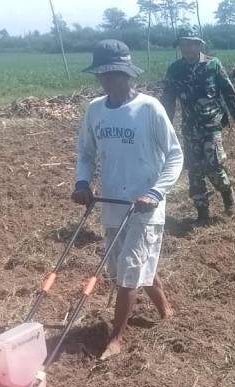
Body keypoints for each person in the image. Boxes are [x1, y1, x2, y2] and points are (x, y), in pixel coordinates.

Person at [73, 40, 184, 359]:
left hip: (145, 206)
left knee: (129, 271)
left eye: (115, 74)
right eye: (103, 75)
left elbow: (175, 156)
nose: (108, 81)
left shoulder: (149, 108)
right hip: (111, 204)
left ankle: (116, 338)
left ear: (127, 74)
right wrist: (82, 182)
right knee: (127, 267)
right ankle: (166, 311)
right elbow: (86, 152)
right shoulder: (94, 110)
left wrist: (155, 191)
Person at [160, 33, 235, 225]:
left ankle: (227, 193)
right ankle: (202, 213)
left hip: (212, 125)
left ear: (200, 45)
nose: (188, 48)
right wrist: (162, 125)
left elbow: (228, 91)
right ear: (180, 46)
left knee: (213, 164)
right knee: (194, 170)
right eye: (184, 44)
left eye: (192, 44)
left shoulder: (213, 65)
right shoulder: (175, 70)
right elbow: (167, 100)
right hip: (189, 128)